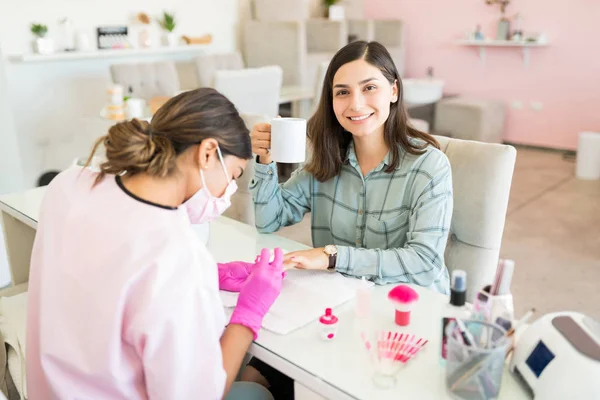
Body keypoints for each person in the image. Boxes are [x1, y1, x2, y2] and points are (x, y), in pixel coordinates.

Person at [26, 88, 284, 400]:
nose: (227, 193)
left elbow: (107, 268)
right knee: (258, 394)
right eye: (233, 175)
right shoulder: (176, 254)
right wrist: (249, 313)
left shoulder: (68, 184)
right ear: (207, 153)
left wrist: (208, 276)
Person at [244, 41, 454, 394]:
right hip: (339, 309)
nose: (355, 104)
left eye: (369, 87)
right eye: (342, 92)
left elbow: (425, 263)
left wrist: (332, 256)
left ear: (393, 90)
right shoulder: (326, 158)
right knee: (253, 375)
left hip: (404, 323)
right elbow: (269, 220)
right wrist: (264, 162)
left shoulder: (429, 167)